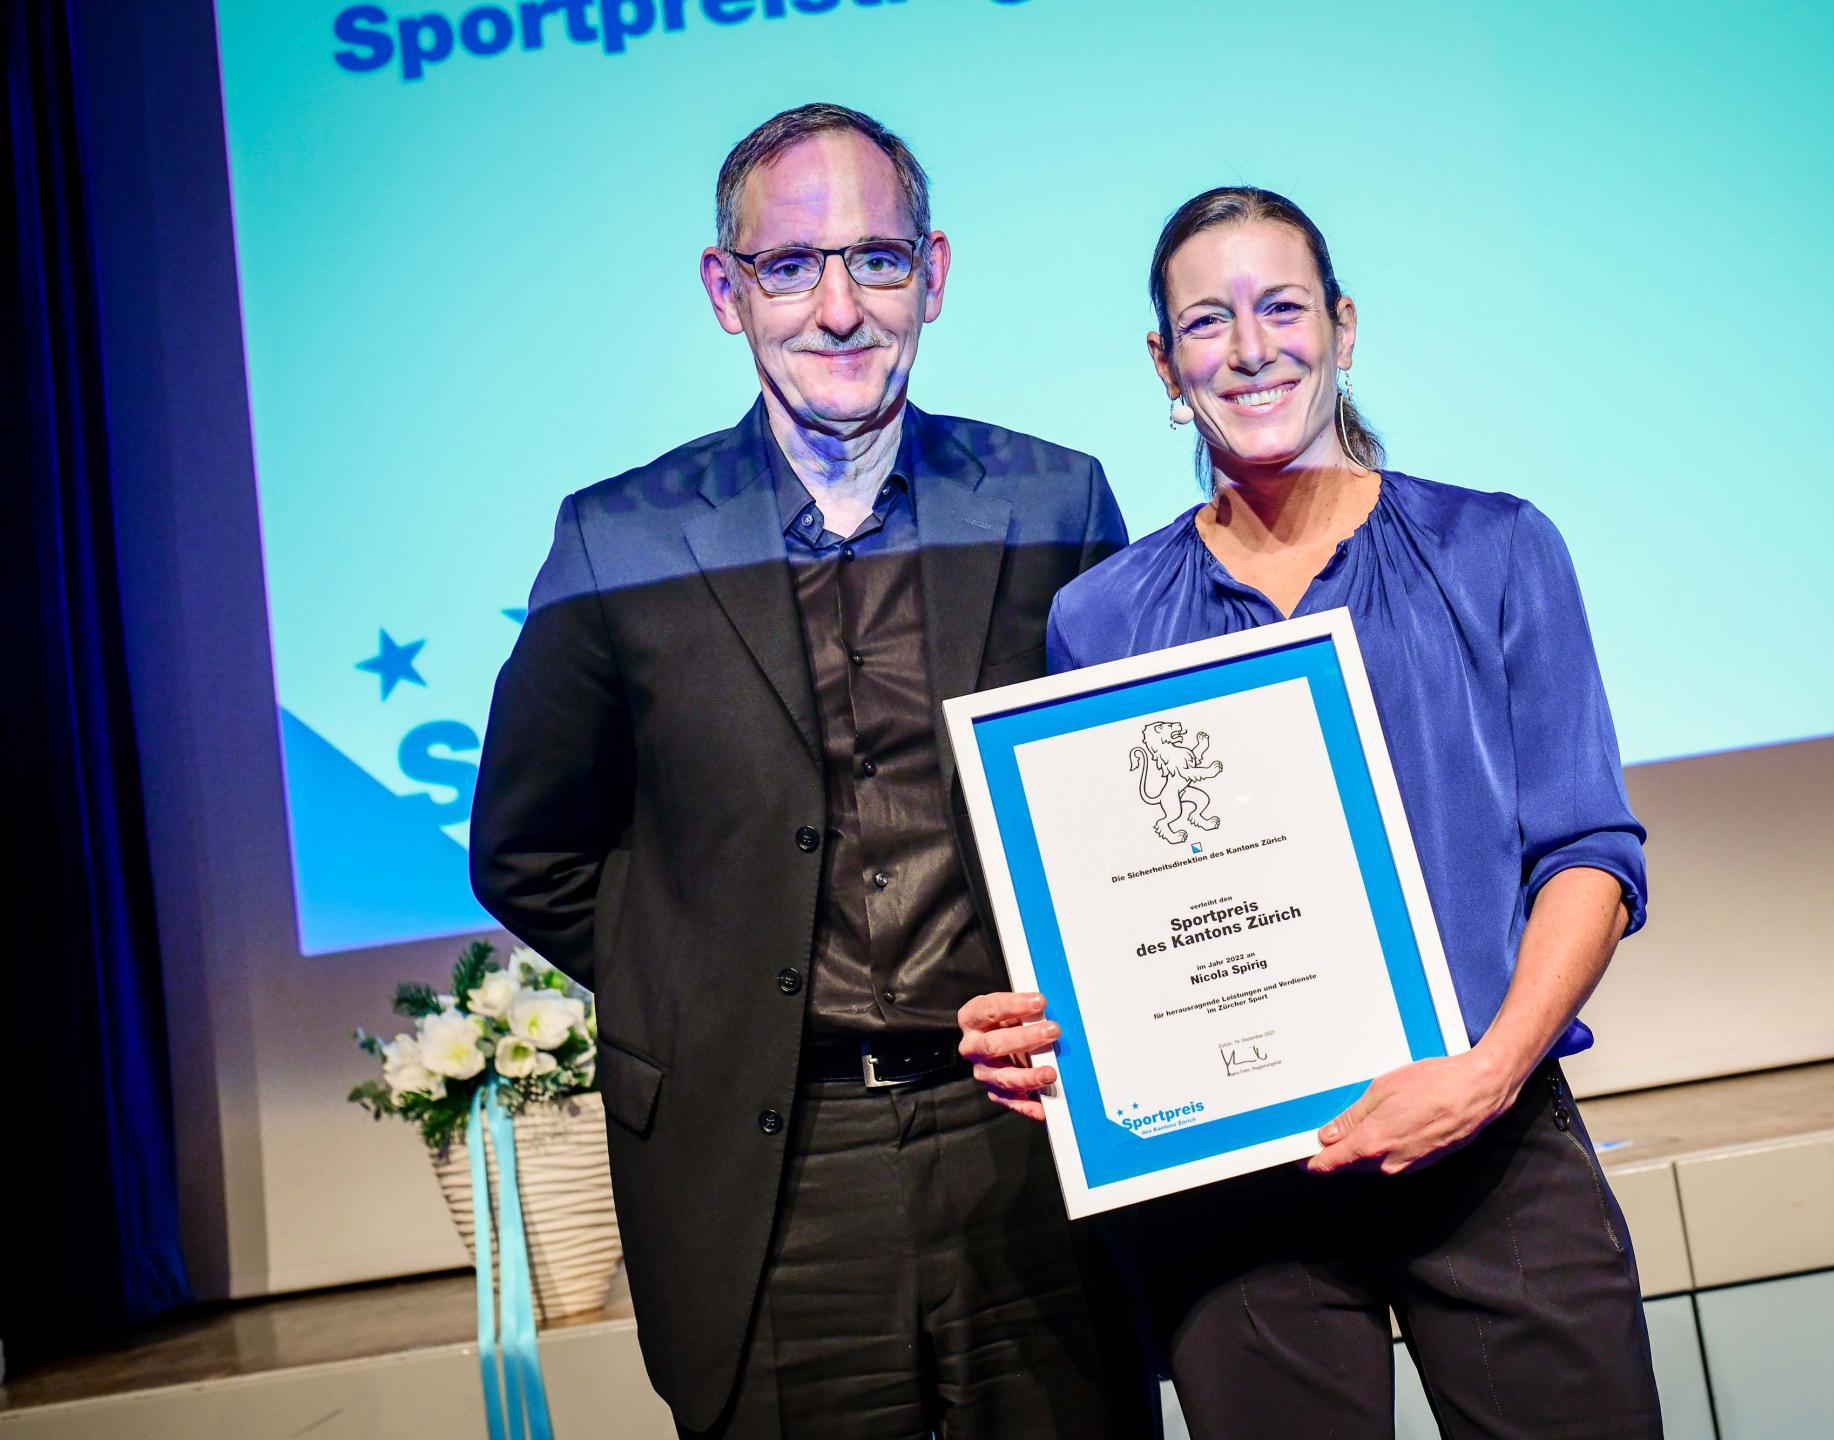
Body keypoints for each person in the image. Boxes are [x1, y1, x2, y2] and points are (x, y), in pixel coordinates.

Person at [470, 103, 1135, 1439]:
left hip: (1024, 1142)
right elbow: (526, 850)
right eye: (792, 266)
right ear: (728, 290)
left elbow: (1120, 799)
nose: (840, 308)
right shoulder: (618, 541)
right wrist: (711, 984)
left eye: (877, 261)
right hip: (769, 1172)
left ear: (932, 274)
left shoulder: (1054, 502)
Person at [957, 187, 1664, 1439]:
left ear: (1343, 328)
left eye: (1282, 308)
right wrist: (1047, 1027)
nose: (1249, 348)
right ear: (1166, 366)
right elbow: (1107, 921)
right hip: (1236, 1203)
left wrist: (1487, 1076)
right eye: (1206, 323)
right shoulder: (1104, 619)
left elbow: (1588, 854)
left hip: (1490, 1153)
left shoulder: (1494, 549)